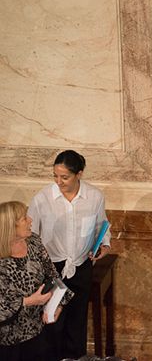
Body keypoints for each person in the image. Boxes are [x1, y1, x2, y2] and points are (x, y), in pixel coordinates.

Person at [28, 150, 111, 360]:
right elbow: (31, 236)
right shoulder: (42, 198)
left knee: (77, 323)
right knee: (52, 325)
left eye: (64, 177)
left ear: (79, 174)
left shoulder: (94, 197)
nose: (59, 181)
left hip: (81, 267)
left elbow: (102, 225)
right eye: (55, 176)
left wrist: (104, 245)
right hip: (51, 269)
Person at [0, 201, 73, 361]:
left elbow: (53, 277)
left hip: (41, 329)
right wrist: (27, 301)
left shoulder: (34, 241)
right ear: (10, 226)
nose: (30, 220)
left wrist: (58, 305)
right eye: (24, 218)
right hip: (10, 339)